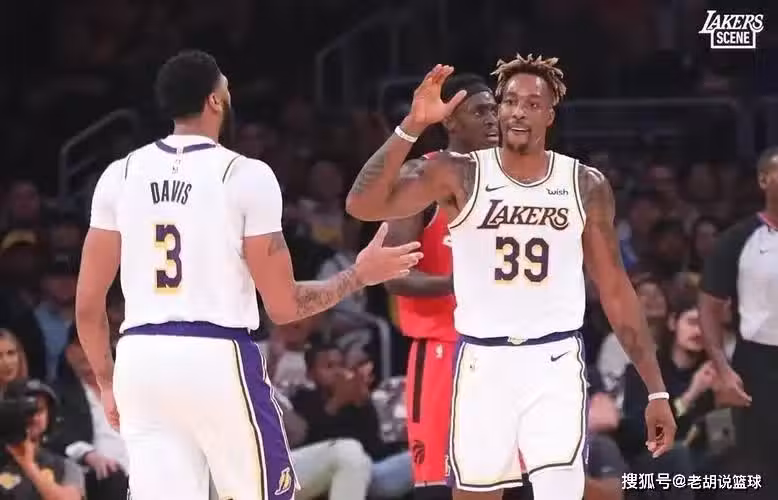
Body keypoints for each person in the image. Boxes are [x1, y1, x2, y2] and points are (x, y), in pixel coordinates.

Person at [74, 50, 423, 500]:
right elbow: (285, 305)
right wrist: (359, 275)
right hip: (214, 354)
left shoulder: (118, 175)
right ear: (215, 100)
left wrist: (106, 383)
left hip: (140, 357)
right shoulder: (245, 175)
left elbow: (88, 305)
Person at [345, 56, 676, 500]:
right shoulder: (457, 174)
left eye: (532, 103)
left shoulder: (584, 184)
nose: (518, 112)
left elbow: (616, 290)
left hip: (554, 360)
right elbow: (361, 205)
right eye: (510, 101)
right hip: (481, 362)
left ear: (550, 114)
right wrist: (412, 125)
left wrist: (656, 391)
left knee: (561, 491)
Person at [383, 73, 499, 500]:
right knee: (438, 487)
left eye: (495, 110)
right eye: (479, 112)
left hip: (507, 352)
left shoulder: (515, 182)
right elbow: (392, 274)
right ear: (450, 120)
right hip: (443, 352)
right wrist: (455, 283)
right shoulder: (420, 176)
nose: (493, 120)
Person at [698, 146, 778, 500]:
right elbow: (708, 308)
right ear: (763, 180)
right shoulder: (738, 238)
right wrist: (722, 368)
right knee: (759, 473)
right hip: (758, 366)